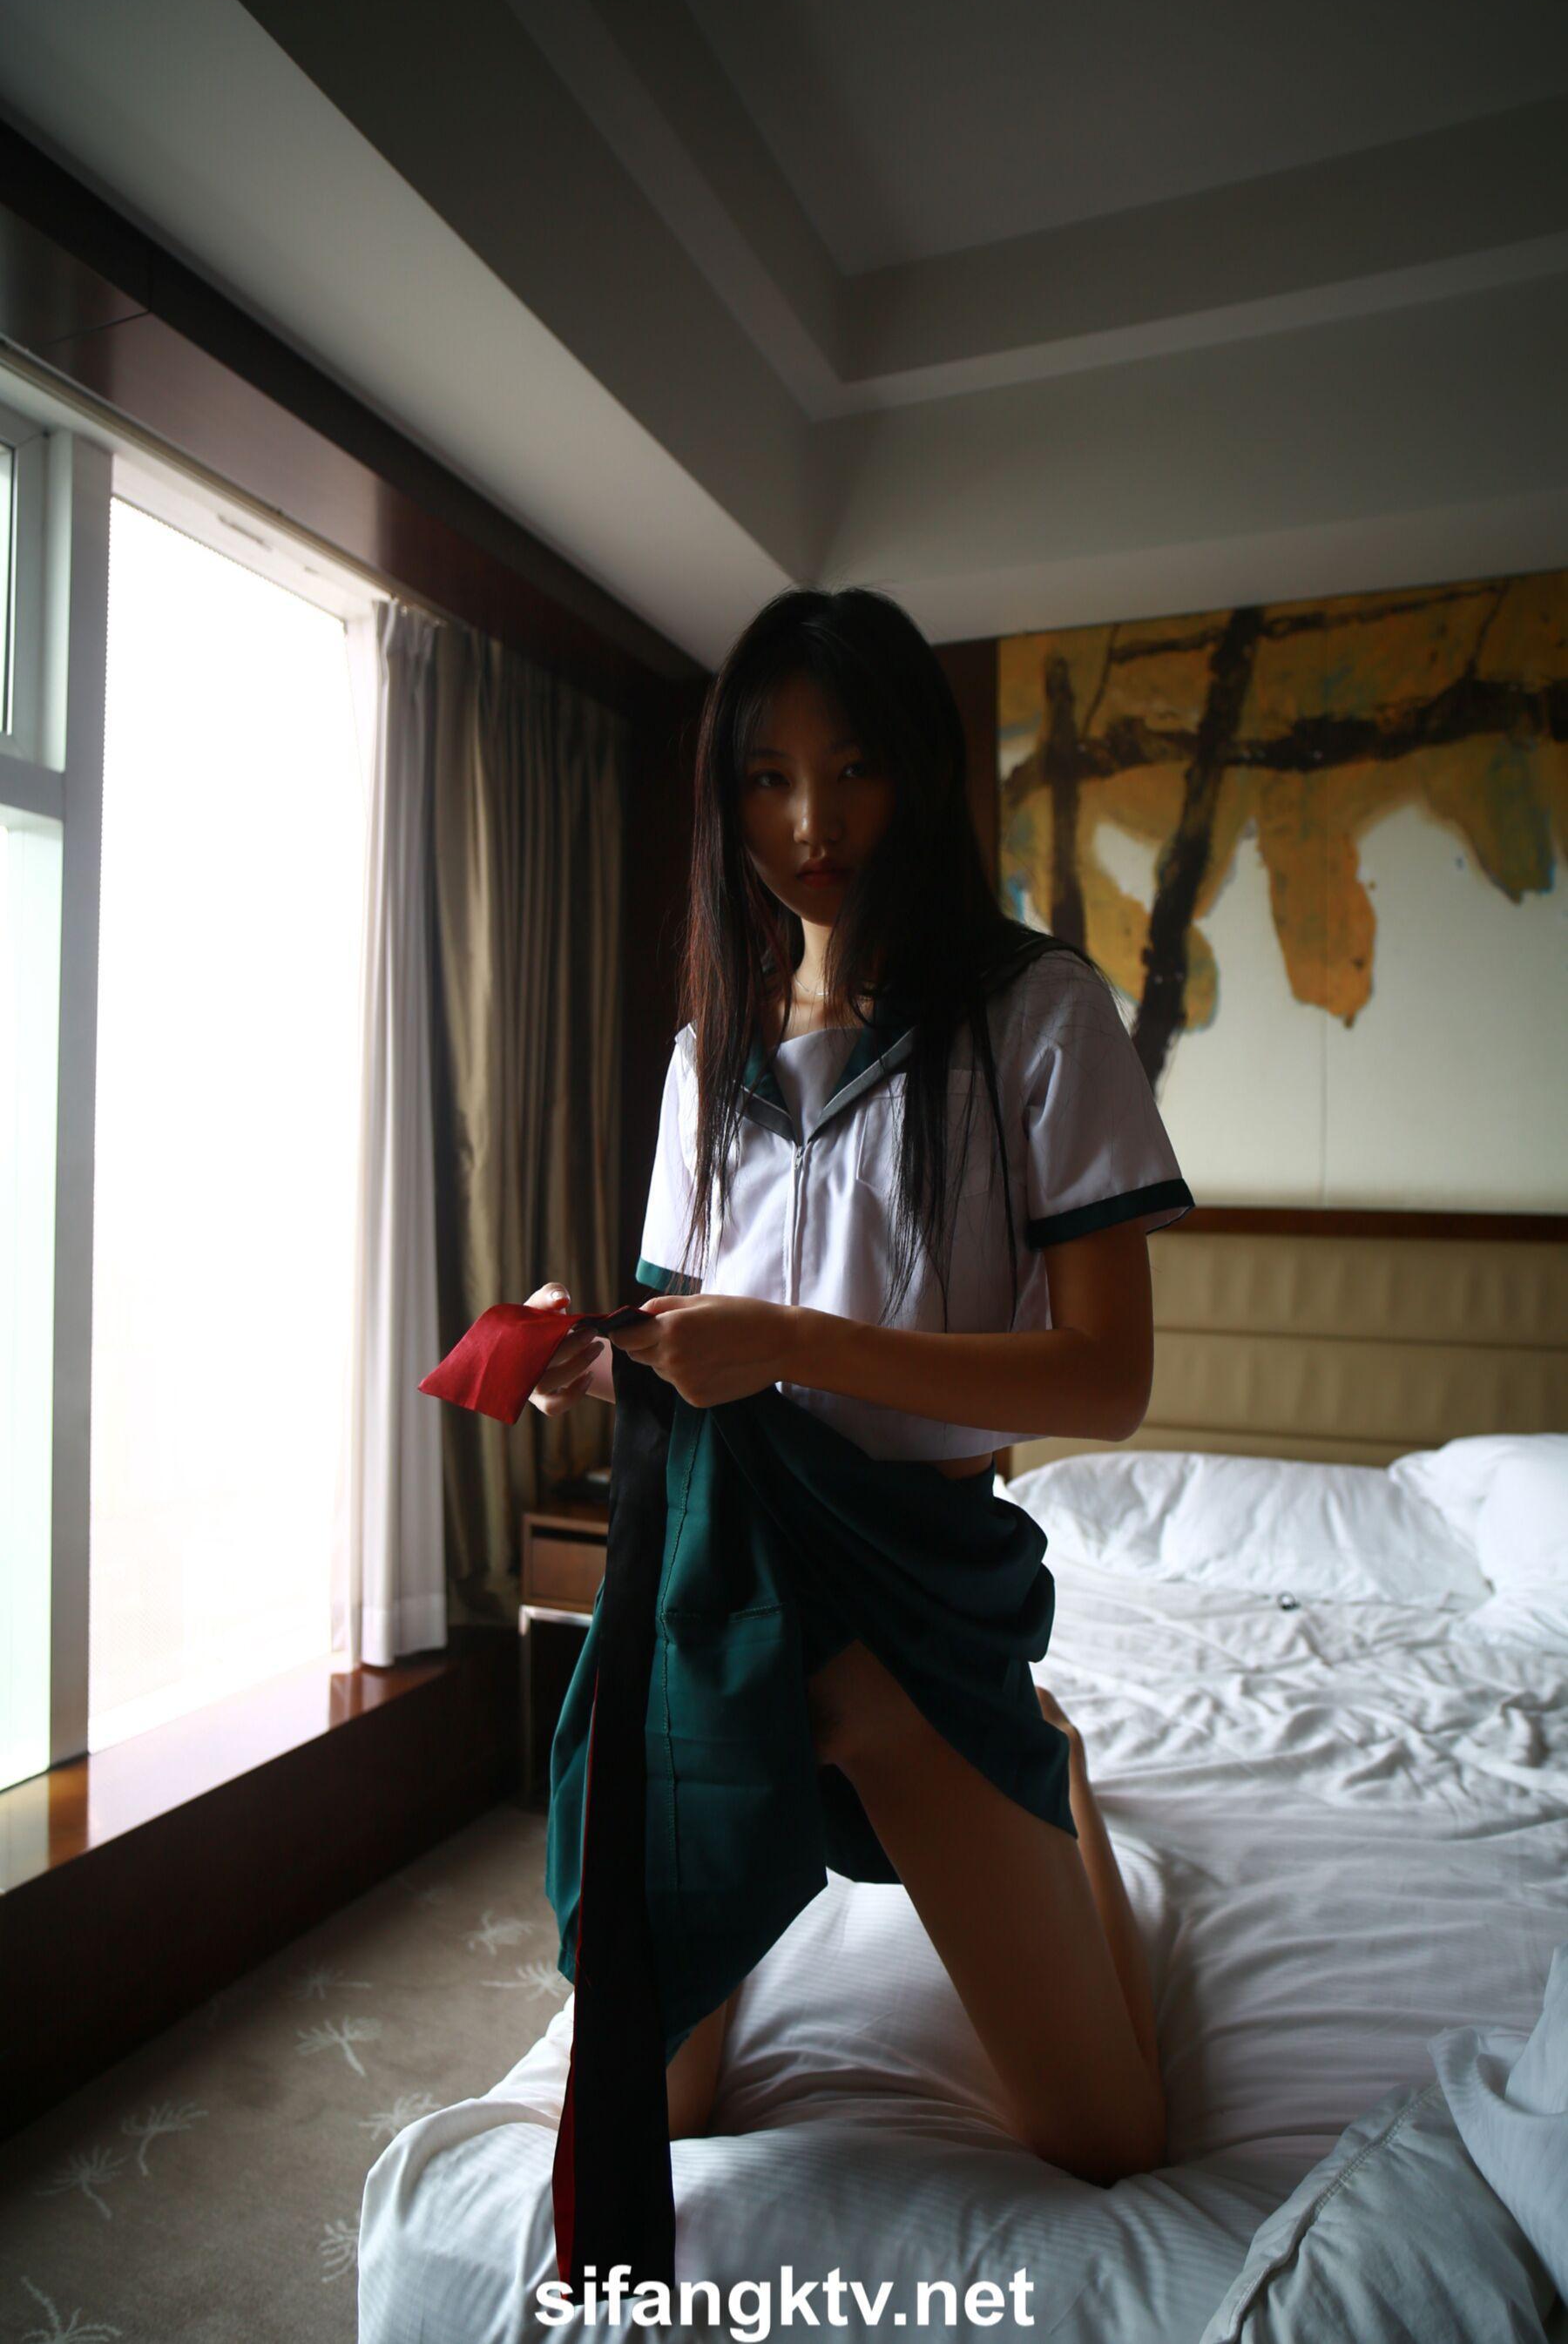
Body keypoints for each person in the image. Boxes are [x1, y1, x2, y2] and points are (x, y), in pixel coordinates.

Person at [524, 585, 1193, 2189]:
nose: (812, 824)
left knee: (1105, 2137)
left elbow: (1109, 1382)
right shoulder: (710, 1051)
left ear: (920, 773)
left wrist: (797, 1342)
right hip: (717, 1585)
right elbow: (690, 1348)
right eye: (768, 779)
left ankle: (1043, 1761)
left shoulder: (1038, 1014)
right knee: (651, 2116)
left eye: (852, 770)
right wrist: (585, 1357)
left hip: (916, 1601)